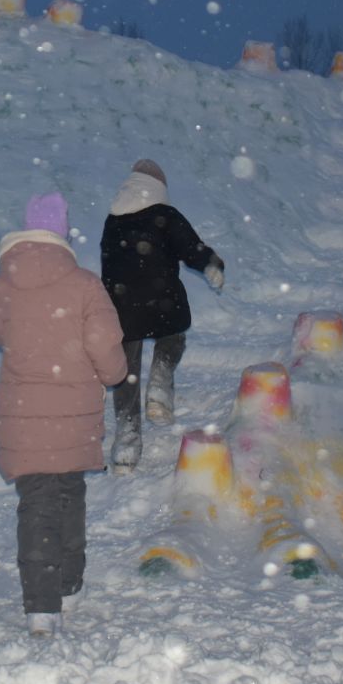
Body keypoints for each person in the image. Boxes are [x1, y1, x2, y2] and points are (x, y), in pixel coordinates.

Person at [0, 191, 128, 637]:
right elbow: (104, 345)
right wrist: (114, 373)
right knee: (68, 496)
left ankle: (44, 603)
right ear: (62, 233)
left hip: (21, 413)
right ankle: (62, 589)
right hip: (73, 411)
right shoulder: (84, 284)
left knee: (36, 503)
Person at [100, 158, 224, 472]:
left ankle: (127, 441)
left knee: (125, 371)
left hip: (122, 304)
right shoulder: (165, 215)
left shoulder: (112, 221)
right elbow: (190, 247)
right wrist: (211, 262)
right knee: (173, 335)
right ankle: (160, 380)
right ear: (158, 188)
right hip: (162, 299)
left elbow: (107, 264)